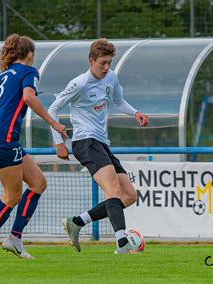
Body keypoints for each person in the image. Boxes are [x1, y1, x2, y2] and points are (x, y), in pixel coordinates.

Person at [0, 34, 67, 260]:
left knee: (38, 183)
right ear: (30, 54)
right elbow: (29, 97)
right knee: (12, 196)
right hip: (4, 139)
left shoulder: (0, 78)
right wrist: (54, 123)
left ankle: (14, 238)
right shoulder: (29, 72)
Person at [48, 39, 148, 254]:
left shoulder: (111, 77)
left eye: (109, 63)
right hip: (85, 141)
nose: (106, 67)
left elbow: (119, 101)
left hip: (102, 143)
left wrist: (136, 112)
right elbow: (53, 109)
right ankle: (122, 242)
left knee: (129, 196)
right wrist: (59, 142)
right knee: (112, 189)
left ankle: (76, 222)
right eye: (102, 63)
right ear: (91, 61)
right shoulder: (80, 83)